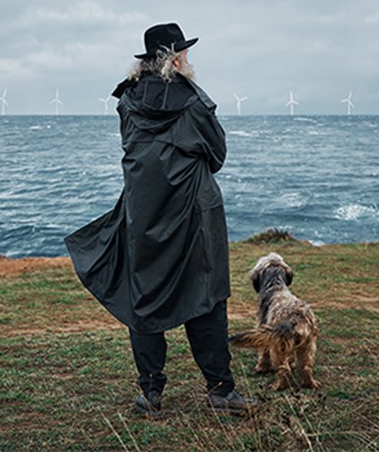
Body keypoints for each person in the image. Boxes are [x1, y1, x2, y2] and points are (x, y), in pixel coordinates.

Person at [64, 22, 257, 418]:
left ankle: (150, 395)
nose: (189, 58)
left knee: (145, 298)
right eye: (184, 52)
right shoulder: (191, 101)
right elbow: (217, 154)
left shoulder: (128, 100)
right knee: (205, 297)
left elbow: (135, 152)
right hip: (192, 214)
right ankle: (221, 391)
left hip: (143, 214)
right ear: (174, 58)